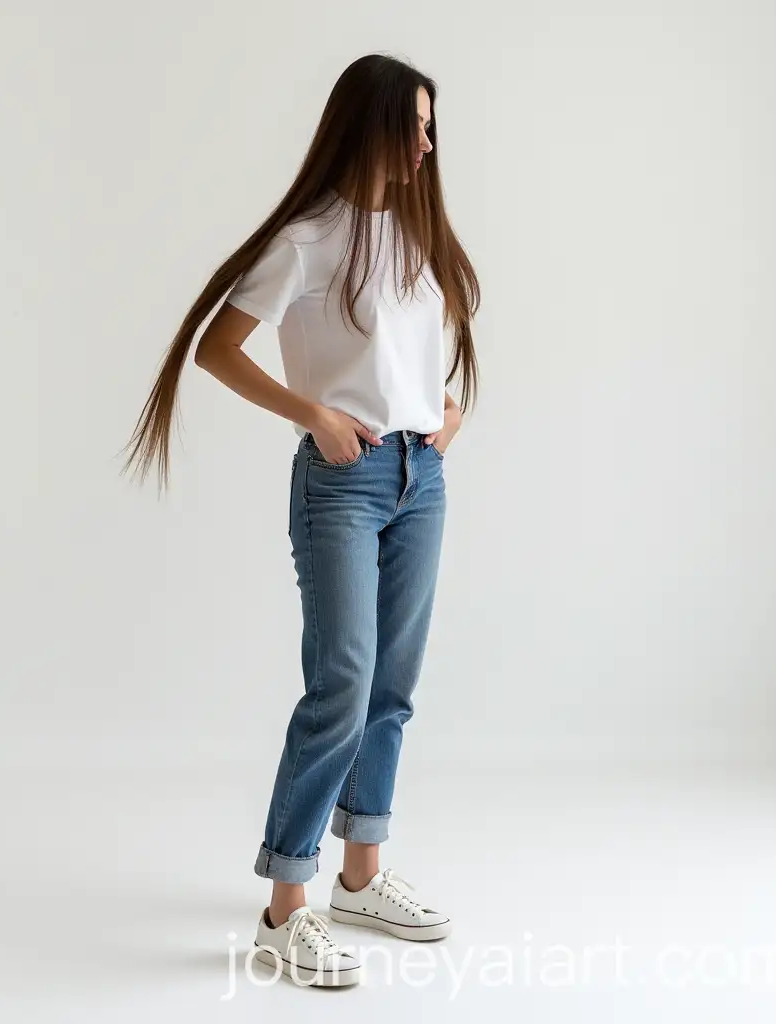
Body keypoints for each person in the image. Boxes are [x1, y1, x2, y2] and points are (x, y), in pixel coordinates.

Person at [122, 53, 480, 987]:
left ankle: (361, 874)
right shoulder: (310, 238)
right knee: (343, 684)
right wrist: (312, 413)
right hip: (344, 481)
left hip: (419, 476)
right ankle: (286, 905)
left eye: (433, 126)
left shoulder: (416, 232)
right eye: (417, 124)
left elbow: (425, 350)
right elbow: (218, 350)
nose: (429, 143)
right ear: (371, 124)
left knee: (393, 684)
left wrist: (449, 412)